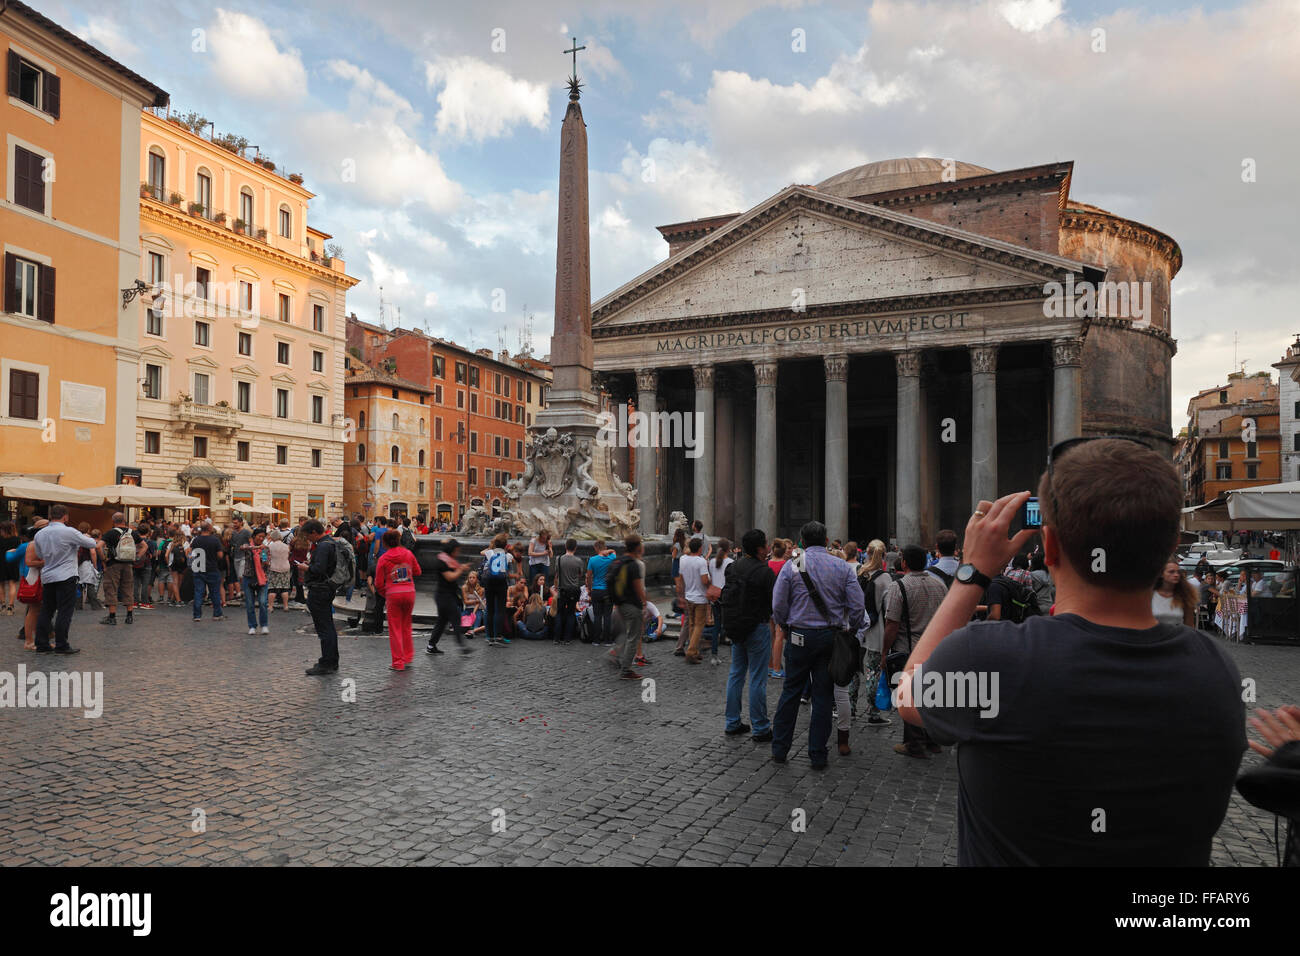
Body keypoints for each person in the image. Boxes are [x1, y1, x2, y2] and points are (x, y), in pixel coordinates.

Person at [897, 439, 1245, 865]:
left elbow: (908, 694)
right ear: (1171, 543)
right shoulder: (1217, 671)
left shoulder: (993, 660)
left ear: (1051, 546)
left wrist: (973, 574)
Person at [769, 521, 865, 769]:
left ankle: (780, 749)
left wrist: (785, 625)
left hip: (799, 635)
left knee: (791, 692)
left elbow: (778, 605)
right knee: (823, 696)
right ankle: (818, 754)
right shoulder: (842, 566)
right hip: (830, 637)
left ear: (801, 541)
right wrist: (851, 629)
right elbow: (857, 607)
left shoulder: (794, 565)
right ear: (825, 541)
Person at [882, 544, 950, 758]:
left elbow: (892, 624)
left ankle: (914, 744)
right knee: (931, 695)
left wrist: (884, 651)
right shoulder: (939, 585)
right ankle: (933, 741)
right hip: (936, 647)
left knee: (909, 697)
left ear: (904, 563)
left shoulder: (899, 587)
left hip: (908, 649)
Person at [722, 528, 777, 741]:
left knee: (736, 674)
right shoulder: (764, 572)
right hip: (757, 627)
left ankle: (732, 721)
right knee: (757, 678)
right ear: (760, 549)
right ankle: (761, 727)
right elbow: (775, 601)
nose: (769, 547)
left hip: (736, 627)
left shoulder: (733, 567)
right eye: (766, 544)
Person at [32, 505, 96, 655]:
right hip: (66, 575)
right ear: (65, 516)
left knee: (46, 610)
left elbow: (39, 553)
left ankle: (41, 643)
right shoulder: (69, 531)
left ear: (50, 515)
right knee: (65, 611)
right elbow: (92, 544)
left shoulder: (40, 534)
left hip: (48, 575)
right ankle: (61, 644)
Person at [856, 539, 893, 727]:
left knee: (854, 670)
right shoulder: (885, 578)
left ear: (867, 553)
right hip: (876, 631)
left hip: (858, 629)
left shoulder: (860, 573)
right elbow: (889, 610)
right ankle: (873, 712)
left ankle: (850, 708)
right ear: (884, 555)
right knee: (873, 672)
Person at [374, 528, 421, 670]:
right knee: (406, 626)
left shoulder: (384, 558)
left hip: (393, 594)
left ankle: (398, 662)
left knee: (395, 629)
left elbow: (378, 583)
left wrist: (386, 593)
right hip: (409, 592)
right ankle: (407, 656)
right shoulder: (408, 554)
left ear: (385, 543)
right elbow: (418, 571)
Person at [302, 519, 341, 675]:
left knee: (324, 628)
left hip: (320, 590)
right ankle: (331, 660)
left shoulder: (323, 546)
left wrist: (306, 567)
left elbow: (319, 569)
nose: (307, 539)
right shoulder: (329, 543)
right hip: (325, 588)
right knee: (328, 626)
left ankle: (327, 663)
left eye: (307, 535)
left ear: (314, 532)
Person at [609, 534, 647, 680]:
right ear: (638, 547)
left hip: (620, 603)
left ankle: (613, 653)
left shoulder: (618, 561)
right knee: (634, 637)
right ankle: (626, 670)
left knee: (627, 633)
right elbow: (638, 588)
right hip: (632, 604)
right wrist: (644, 602)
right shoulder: (633, 564)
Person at [425, 539, 471, 655]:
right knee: (455, 617)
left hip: (446, 594)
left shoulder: (448, 560)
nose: (458, 553)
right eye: (457, 551)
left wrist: (461, 567)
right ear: (452, 550)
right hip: (443, 595)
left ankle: (431, 645)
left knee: (441, 622)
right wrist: (461, 569)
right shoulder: (442, 561)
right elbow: (450, 577)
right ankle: (462, 646)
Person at [98, 513, 141, 626]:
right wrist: (137, 557)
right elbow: (144, 545)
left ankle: (112, 617)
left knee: (111, 588)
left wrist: (103, 558)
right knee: (128, 587)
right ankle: (129, 616)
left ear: (113, 521)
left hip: (114, 564)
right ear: (125, 521)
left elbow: (98, 546)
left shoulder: (111, 532)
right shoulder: (132, 532)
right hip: (128, 564)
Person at [676, 537, 711, 663]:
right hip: (700, 598)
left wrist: (680, 595)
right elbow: (704, 580)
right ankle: (691, 652)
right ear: (700, 548)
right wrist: (711, 585)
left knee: (691, 624)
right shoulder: (701, 561)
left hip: (688, 596)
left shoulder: (683, 559)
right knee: (699, 625)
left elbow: (680, 578)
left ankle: (694, 650)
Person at [480, 533, 513, 647]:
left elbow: (483, 552)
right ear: (506, 545)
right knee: (500, 610)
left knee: (490, 609)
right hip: (501, 583)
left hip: (489, 583)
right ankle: (498, 636)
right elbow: (509, 568)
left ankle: (489, 637)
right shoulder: (508, 556)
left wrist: (492, 546)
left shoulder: (489, 553)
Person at [705, 538, 733, 666]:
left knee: (716, 625)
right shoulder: (731, 562)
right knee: (730, 626)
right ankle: (734, 655)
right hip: (726, 596)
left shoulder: (711, 562)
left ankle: (714, 655)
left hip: (715, 596)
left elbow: (710, 577)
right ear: (728, 549)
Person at [240, 527, 271, 635]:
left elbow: (267, 563)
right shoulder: (249, 547)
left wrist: (265, 561)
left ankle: (264, 625)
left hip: (262, 578)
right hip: (248, 577)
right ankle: (252, 626)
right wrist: (252, 547)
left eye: (263, 537)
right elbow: (243, 548)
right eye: (259, 536)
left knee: (263, 603)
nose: (261, 538)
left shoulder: (265, 548)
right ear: (254, 537)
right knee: (249, 604)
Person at [585, 539, 616, 646]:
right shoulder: (611, 557)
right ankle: (608, 640)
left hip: (596, 591)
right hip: (608, 591)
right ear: (605, 548)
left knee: (597, 616)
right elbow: (614, 552)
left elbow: (588, 576)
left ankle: (596, 640)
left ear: (596, 548)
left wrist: (589, 589)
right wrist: (608, 551)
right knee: (607, 616)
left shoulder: (592, 560)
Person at [554, 538, 584, 645]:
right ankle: (568, 638)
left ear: (565, 547)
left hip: (562, 590)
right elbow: (580, 574)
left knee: (560, 613)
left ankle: (557, 638)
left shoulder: (559, 559)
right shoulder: (579, 561)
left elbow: (556, 575)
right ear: (575, 548)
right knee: (571, 613)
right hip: (574, 589)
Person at [768, 539, 790, 678]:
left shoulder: (766, 564)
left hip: (768, 603)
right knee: (779, 636)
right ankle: (777, 668)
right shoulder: (786, 565)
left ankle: (770, 666)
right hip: (781, 603)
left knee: (771, 636)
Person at [1152, 560, 1197, 627]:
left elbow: (1189, 625)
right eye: (1171, 572)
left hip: (1178, 636)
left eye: (1178, 572)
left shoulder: (1185, 596)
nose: (1176, 575)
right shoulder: (1149, 595)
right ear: (1161, 574)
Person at [0, 520, 19, 616]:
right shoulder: (16, 539)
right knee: (12, 584)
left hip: (1, 563)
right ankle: (10, 607)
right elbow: (18, 551)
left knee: (1, 585)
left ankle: (3, 605)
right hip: (12, 563)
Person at [163, 532, 186, 607]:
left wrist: (168, 564)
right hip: (182, 565)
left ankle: (175, 599)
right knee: (179, 582)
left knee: (175, 582)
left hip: (173, 565)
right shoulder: (185, 544)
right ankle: (178, 600)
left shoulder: (171, 544)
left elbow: (166, 555)